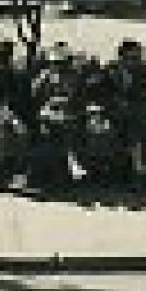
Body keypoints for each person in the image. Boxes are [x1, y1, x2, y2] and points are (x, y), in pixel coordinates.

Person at [0, 40, 36, 194]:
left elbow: (25, 102)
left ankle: (20, 176)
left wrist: (17, 119)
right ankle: (1, 178)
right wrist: (7, 117)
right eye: (0, 60)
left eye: (5, 60)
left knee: (22, 134)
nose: (2, 64)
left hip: (17, 116)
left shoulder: (19, 77)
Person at [28, 44, 87, 190]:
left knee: (62, 133)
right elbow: (35, 94)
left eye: (62, 63)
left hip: (69, 115)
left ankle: (65, 171)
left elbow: (80, 98)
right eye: (56, 63)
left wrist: (66, 101)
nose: (58, 67)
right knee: (46, 135)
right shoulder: (46, 75)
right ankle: (47, 175)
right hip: (49, 116)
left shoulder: (75, 76)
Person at [106, 39, 146, 192]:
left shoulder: (143, 70)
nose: (135, 61)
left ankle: (140, 172)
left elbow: (141, 94)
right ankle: (139, 172)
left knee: (136, 130)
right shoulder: (113, 69)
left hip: (136, 112)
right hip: (119, 112)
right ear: (122, 57)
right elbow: (110, 92)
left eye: (137, 57)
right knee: (136, 131)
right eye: (131, 58)